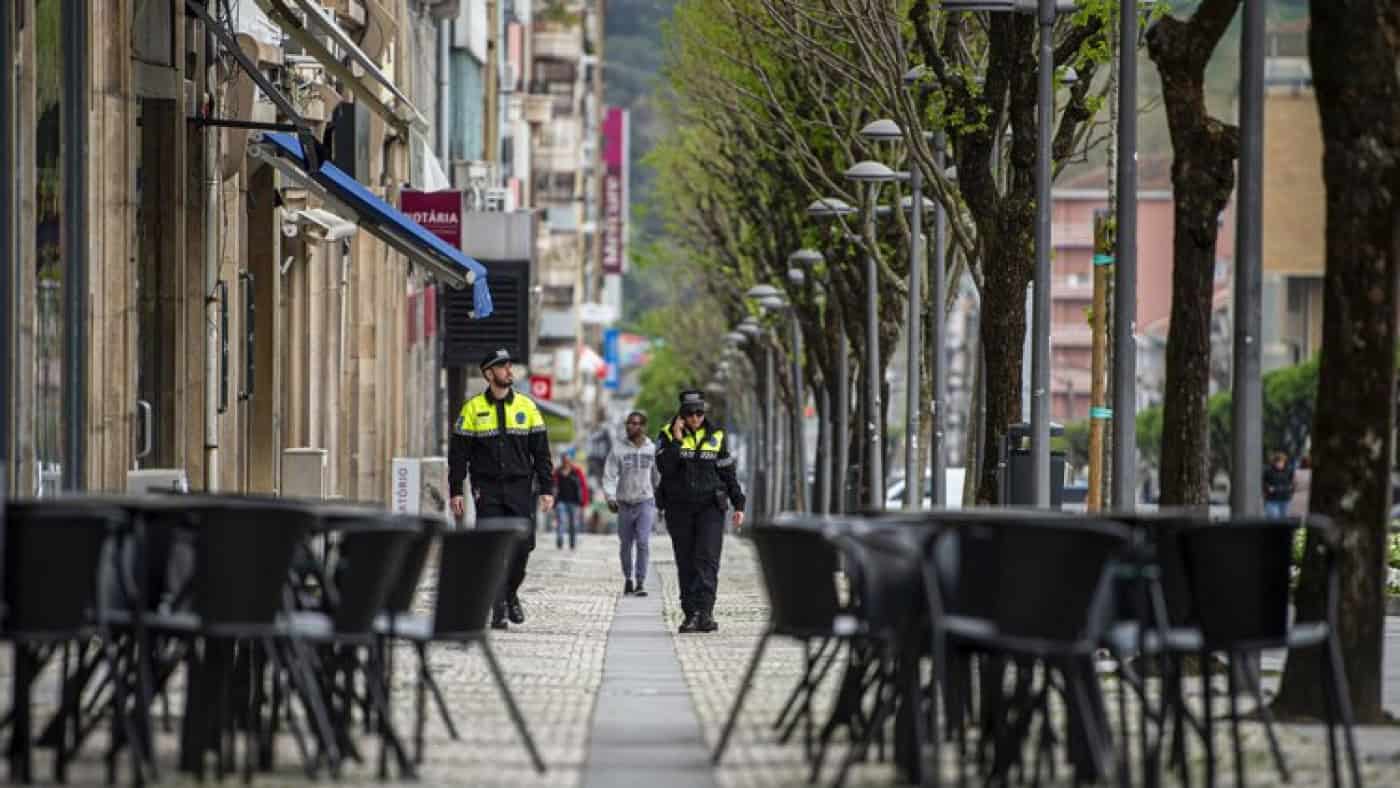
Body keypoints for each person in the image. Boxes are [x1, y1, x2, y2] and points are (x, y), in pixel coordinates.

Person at [449, 348, 555, 630]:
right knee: (492, 545)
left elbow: (541, 453)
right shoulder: (471, 409)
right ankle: (498, 609)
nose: (509, 371)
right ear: (488, 374)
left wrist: (547, 488)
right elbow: (458, 454)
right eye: (502, 367)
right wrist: (456, 489)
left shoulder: (527, 407)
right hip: (487, 489)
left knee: (523, 545)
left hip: (521, 488)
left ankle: (509, 593)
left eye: (510, 366)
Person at [656, 390, 745, 633]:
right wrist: (675, 439)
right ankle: (690, 614)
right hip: (679, 508)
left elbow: (727, 472)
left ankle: (705, 613)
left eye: (699, 413)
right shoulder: (666, 434)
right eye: (690, 413)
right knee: (686, 562)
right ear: (681, 415)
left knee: (707, 560)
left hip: (710, 508)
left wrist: (739, 504)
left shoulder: (716, 435)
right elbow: (664, 467)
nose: (695, 418)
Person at [603, 411, 660, 597]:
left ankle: (641, 581)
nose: (630, 427)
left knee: (643, 542)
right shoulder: (618, 448)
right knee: (625, 544)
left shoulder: (652, 450)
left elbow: (657, 477)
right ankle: (628, 578)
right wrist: (610, 497)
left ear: (643, 427)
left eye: (635, 424)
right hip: (624, 504)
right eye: (629, 423)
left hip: (645, 502)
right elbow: (610, 475)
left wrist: (661, 498)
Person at [552, 450, 589, 550]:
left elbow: (583, 486)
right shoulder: (557, 472)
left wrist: (584, 501)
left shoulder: (577, 472)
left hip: (574, 502)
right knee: (561, 520)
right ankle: (560, 539)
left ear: (570, 460)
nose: (566, 461)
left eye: (567, 459)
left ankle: (572, 542)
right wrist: (552, 500)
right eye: (564, 459)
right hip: (560, 501)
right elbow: (552, 486)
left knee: (573, 523)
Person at [1262, 450, 1295, 520]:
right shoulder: (1268, 471)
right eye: (1278, 462)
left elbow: (1292, 483)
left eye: (1282, 462)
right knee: (1273, 519)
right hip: (1272, 500)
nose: (1280, 464)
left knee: (1284, 521)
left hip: (1285, 499)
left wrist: (1290, 490)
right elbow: (1264, 482)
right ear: (1274, 462)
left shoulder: (1288, 470)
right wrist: (1268, 488)